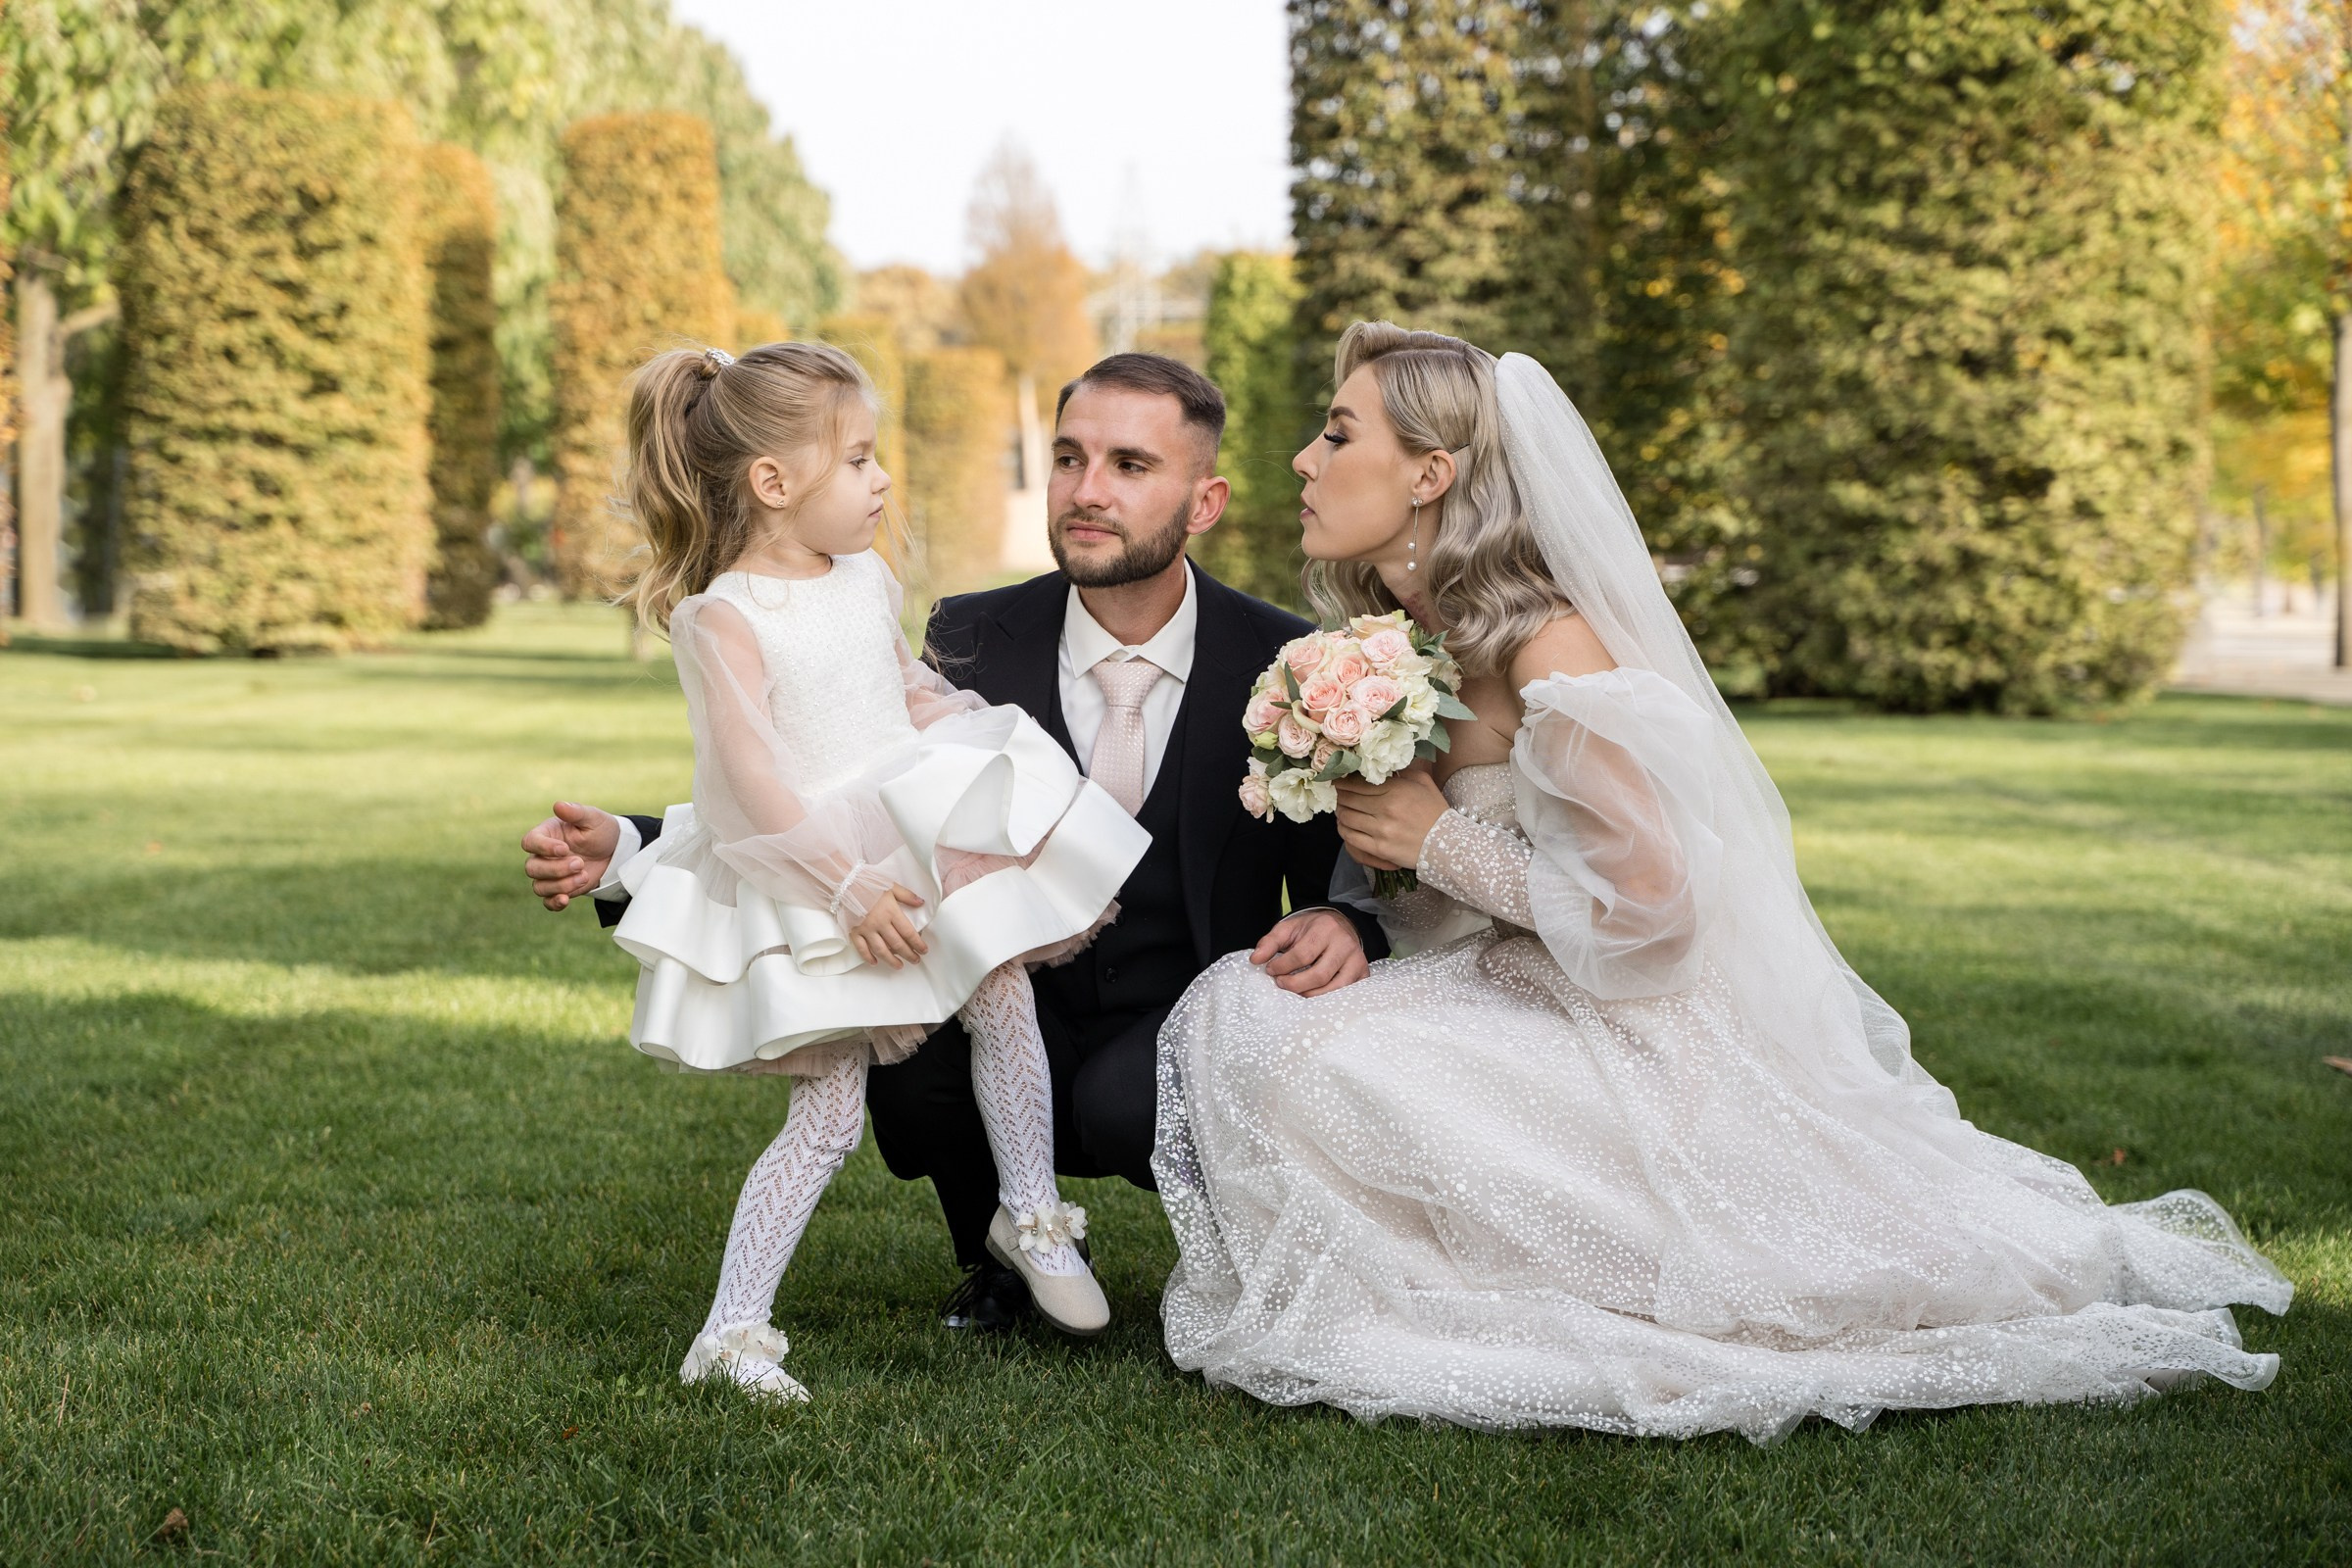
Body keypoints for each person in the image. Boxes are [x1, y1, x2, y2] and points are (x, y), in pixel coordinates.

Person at [1151, 322, 2295, 1444]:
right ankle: (1435, 1269)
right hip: (1497, 989)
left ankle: (1491, 1287)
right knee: (1242, 1011)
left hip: (1627, 1031)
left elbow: (1653, 915)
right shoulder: (1396, 645)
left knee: (1281, 1038)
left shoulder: (1553, 650)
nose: (1304, 458)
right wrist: (1366, 903)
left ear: (1430, 474)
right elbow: (1409, 867)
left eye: (1336, 433)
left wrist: (1437, 840)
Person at [523, 353, 1386, 1332]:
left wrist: (1346, 922)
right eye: (1068, 458)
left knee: (1117, 1097)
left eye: (1131, 466)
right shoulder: (974, 632)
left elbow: (1344, 878)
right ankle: (999, 1252)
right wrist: (630, 849)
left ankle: (1209, 1241)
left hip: (1173, 1011)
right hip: (979, 970)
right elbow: (822, 773)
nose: (1087, 491)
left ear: (1205, 499)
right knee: (909, 1043)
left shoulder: (1285, 662)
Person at [598, 340, 1144, 1401]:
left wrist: (989, 744)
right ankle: (733, 1329)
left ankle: (1030, 1214)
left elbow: (905, 690)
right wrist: (844, 887)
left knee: (1001, 987)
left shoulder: (865, 576)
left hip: (911, 823)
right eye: (857, 460)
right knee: (829, 1115)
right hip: (813, 868)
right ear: (773, 482)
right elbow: (745, 785)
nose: (881, 479)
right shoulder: (724, 619)